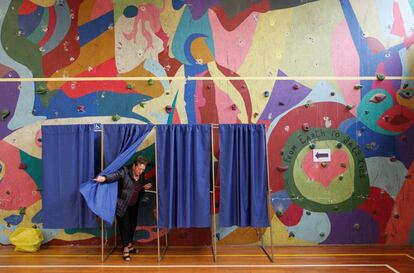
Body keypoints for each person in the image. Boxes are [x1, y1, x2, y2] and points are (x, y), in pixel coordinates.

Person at [94, 156, 152, 261]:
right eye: (139, 168)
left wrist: (144, 187)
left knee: (132, 226)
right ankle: (125, 249)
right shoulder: (125, 172)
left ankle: (129, 245)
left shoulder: (142, 175)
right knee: (125, 227)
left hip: (134, 205)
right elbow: (115, 176)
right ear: (134, 166)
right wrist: (104, 178)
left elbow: (138, 187)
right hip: (122, 205)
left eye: (143, 169)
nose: (140, 171)